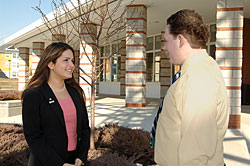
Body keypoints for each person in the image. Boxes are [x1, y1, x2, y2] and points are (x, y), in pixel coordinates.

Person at [154, 9, 229, 166]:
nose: (164, 47)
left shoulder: (197, 78)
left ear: (180, 40)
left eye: (167, 40)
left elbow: (197, 152)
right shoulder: (198, 70)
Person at [22, 42, 90, 166]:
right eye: (66, 60)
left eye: (72, 61)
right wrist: (60, 164)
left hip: (75, 161)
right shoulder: (33, 95)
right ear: (50, 64)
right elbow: (33, 137)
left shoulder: (75, 92)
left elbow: (85, 128)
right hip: (46, 162)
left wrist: (81, 156)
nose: (72, 65)